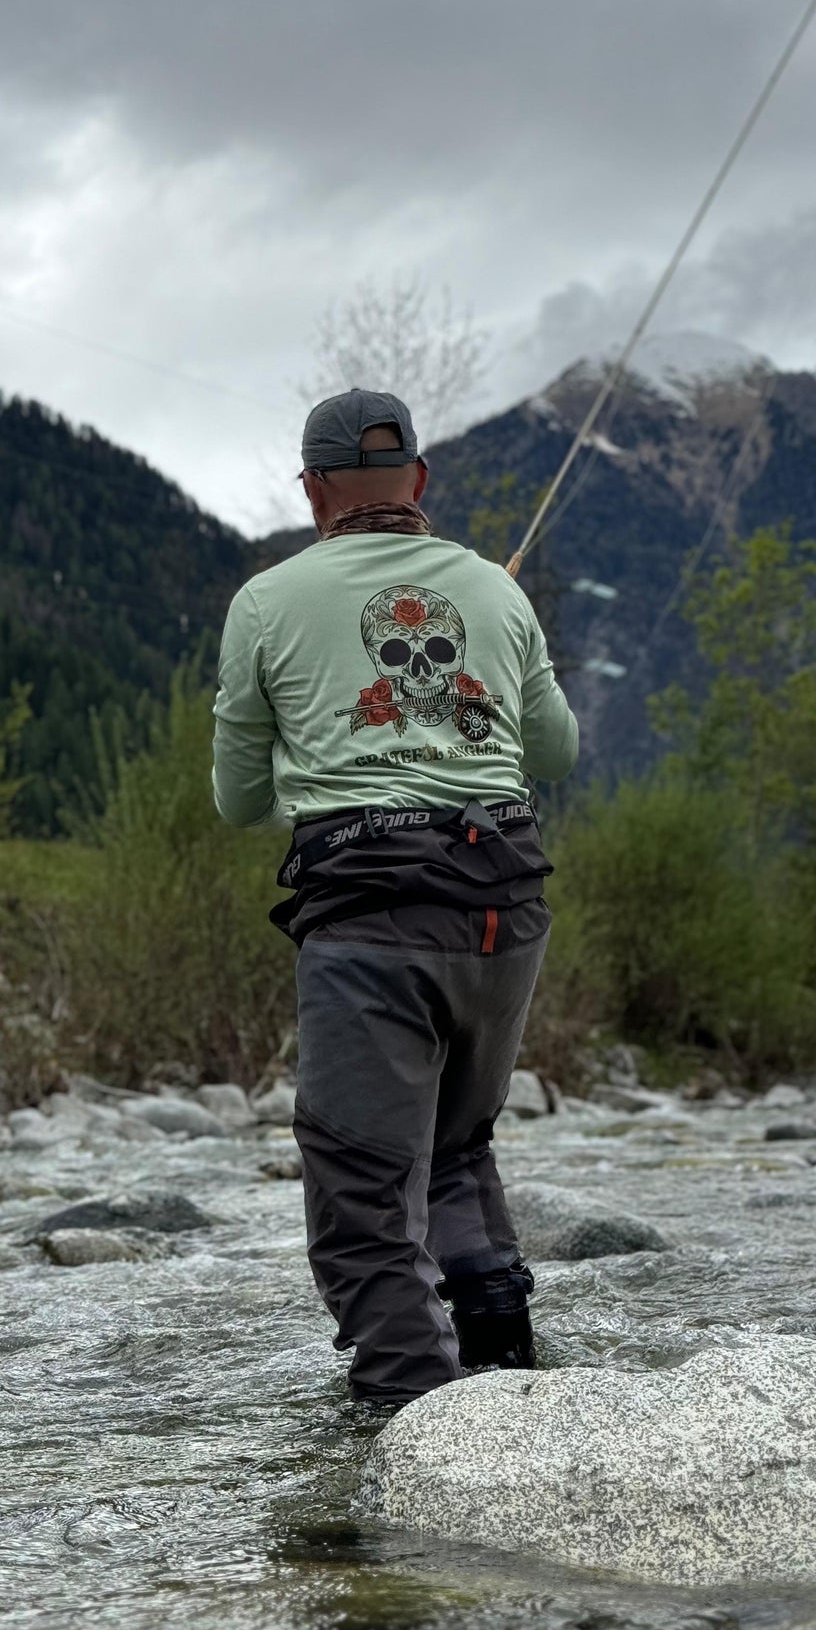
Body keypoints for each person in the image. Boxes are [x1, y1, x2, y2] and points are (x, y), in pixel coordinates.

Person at [212, 386, 579, 1407]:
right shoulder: (496, 596)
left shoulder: (266, 602)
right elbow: (554, 751)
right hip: (504, 908)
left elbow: (238, 799)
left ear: (314, 490)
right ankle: (507, 1379)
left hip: (368, 917)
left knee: (363, 1190)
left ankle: (408, 1431)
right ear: (416, 482)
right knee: (455, 1151)